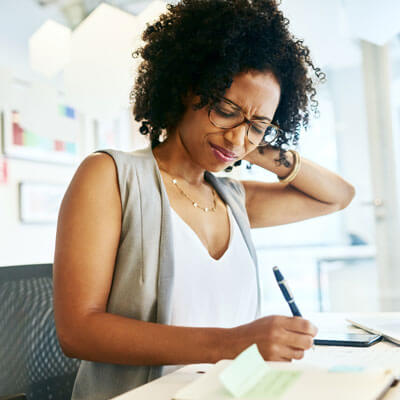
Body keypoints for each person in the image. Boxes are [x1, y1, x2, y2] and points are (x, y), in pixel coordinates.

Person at [53, 0, 355, 399]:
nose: (236, 137)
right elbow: (78, 331)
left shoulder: (232, 197)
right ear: (186, 89)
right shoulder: (112, 176)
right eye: (225, 109)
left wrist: (249, 140)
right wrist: (230, 343)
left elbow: (338, 197)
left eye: (259, 125)